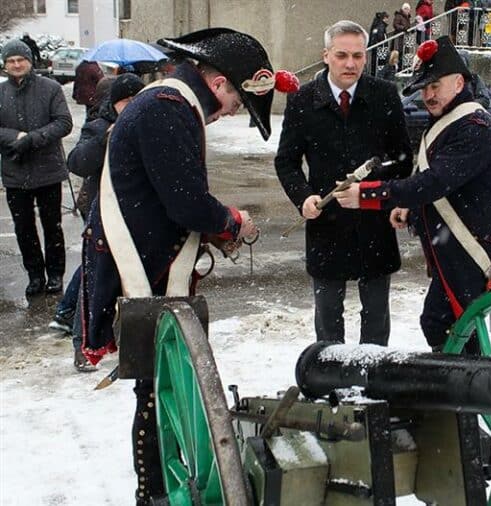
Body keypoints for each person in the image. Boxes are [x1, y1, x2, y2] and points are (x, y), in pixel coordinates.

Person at [80, 28, 293, 505]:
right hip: (140, 267)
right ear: (218, 83)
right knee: (155, 394)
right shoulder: (168, 108)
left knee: (162, 389)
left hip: (149, 260)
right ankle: (153, 492)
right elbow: (185, 203)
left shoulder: (172, 106)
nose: (235, 109)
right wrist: (231, 220)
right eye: (238, 97)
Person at [335, 36, 491, 353]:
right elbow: (446, 186)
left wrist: (369, 195)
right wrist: (412, 211)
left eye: (434, 86)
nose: (427, 94)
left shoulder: (475, 127)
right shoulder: (450, 123)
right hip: (450, 248)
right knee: (439, 322)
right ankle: (460, 383)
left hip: (467, 250)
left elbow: (434, 182)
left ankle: (474, 388)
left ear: (458, 82)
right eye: (424, 88)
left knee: (459, 327)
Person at [274, 20, 412, 347]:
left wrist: (371, 190)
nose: (350, 64)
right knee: (328, 318)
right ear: (326, 56)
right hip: (327, 226)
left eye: (358, 56)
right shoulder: (304, 100)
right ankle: (329, 382)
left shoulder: (384, 96)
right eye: (341, 55)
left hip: (375, 224)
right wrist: (304, 197)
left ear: (366, 57)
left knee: (376, 316)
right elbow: (286, 161)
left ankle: (373, 381)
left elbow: (403, 158)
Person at [49, 74, 145, 371]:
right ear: (113, 103)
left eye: (136, 100)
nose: (131, 106)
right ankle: (82, 343)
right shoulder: (98, 125)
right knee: (94, 279)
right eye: (125, 101)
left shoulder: (148, 126)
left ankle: (130, 340)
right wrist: (108, 138)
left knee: (132, 280)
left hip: (138, 215)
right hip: (103, 215)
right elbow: (77, 161)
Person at [0, 39, 73, 297]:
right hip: (14, 173)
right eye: (11, 61)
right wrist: (14, 138)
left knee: (52, 225)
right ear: (5, 65)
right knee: (24, 228)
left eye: (21, 59)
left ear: (30, 61)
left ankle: (55, 274)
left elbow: (63, 122)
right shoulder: (1, 92)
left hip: (48, 171)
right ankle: (34, 275)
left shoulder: (50, 88)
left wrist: (31, 139)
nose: (16, 64)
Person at [368, 11, 390, 76]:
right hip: (380, 48)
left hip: (375, 47)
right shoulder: (381, 26)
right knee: (380, 63)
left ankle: (374, 74)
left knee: (375, 62)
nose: (387, 20)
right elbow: (380, 36)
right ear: (384, 18)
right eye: (387, 18)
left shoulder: (376, 25)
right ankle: (378, 75)